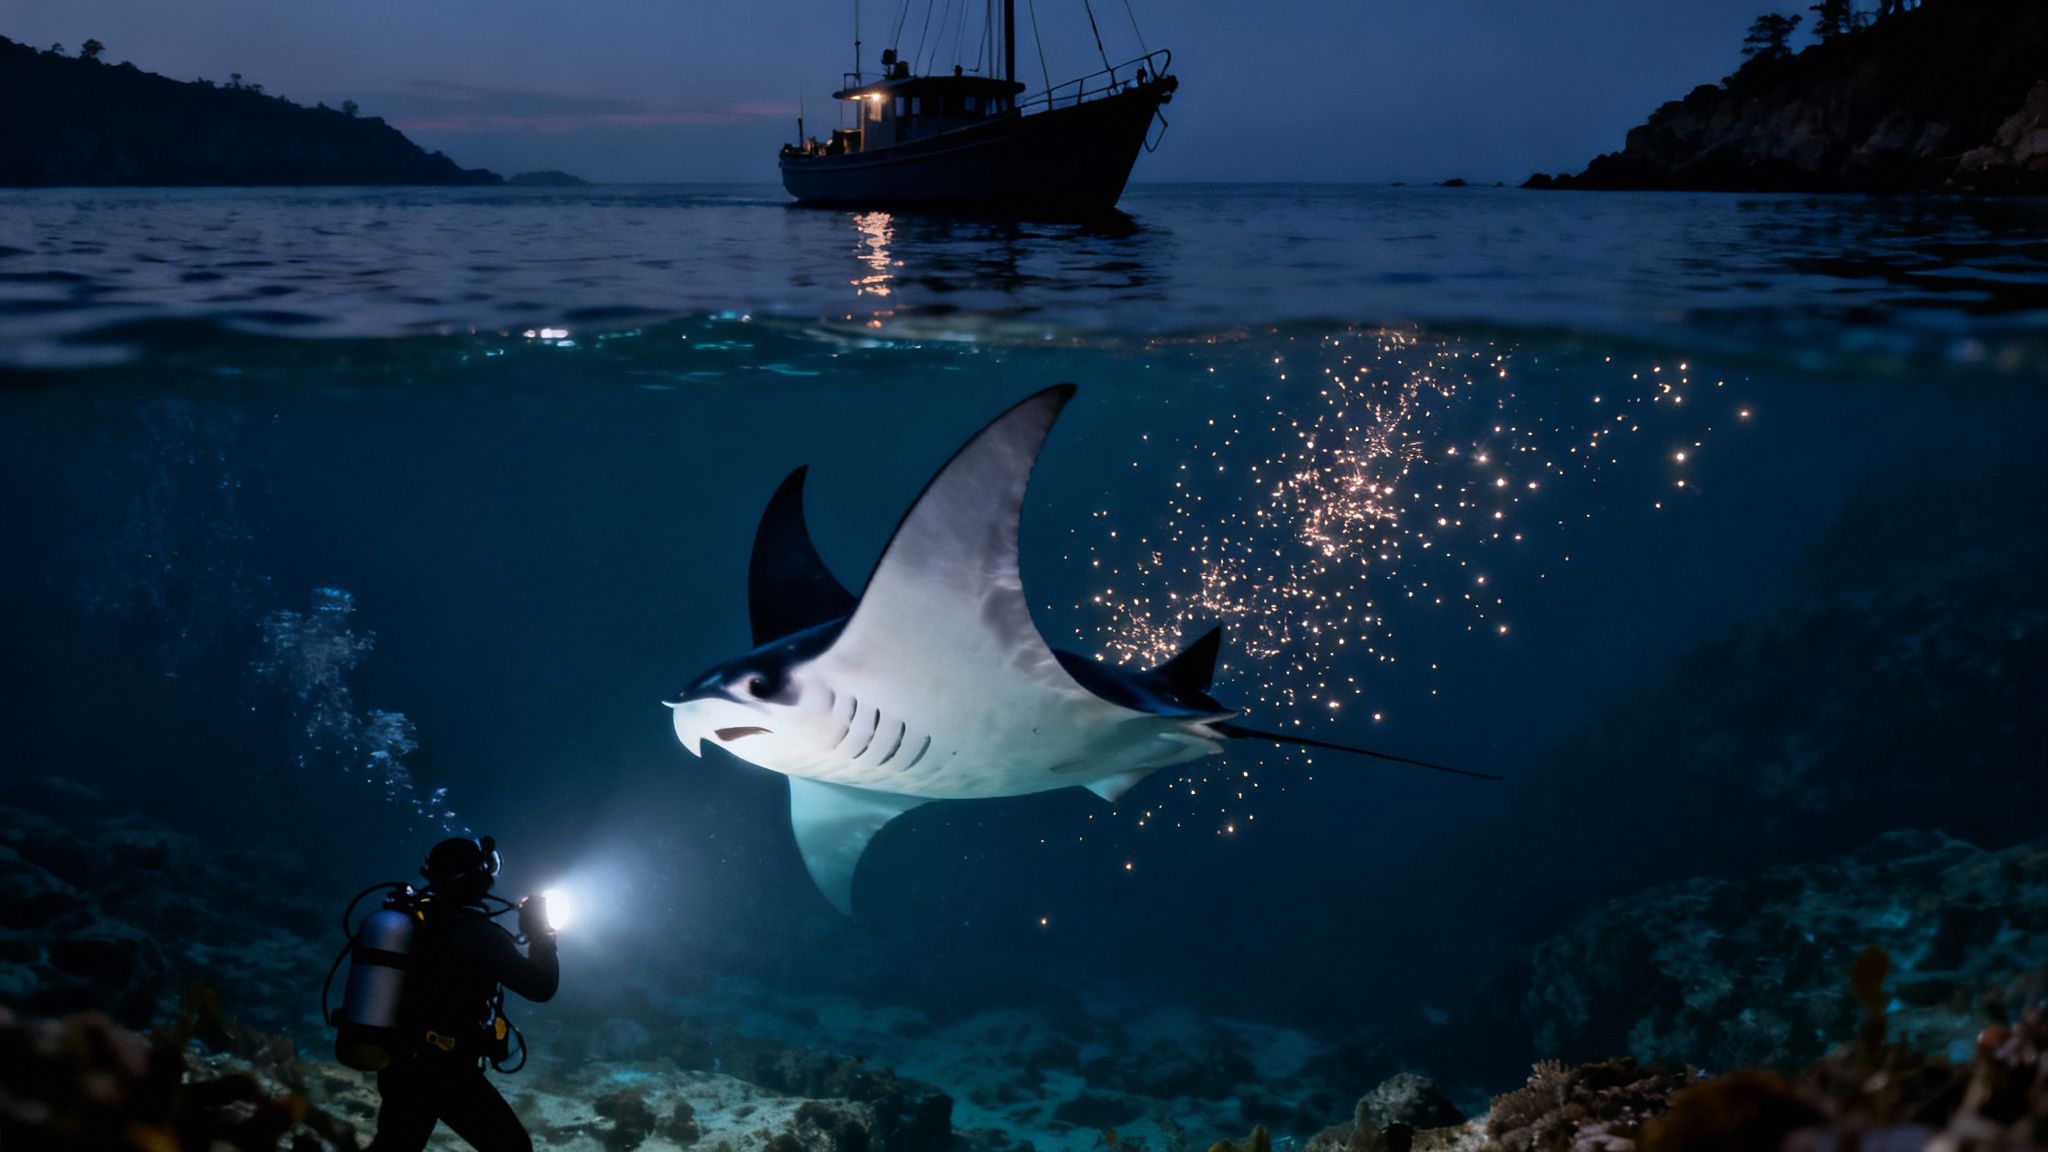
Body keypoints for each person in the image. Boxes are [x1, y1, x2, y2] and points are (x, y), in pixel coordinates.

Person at [366, 836, 559, 1152]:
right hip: (443, 1073)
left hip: (400, 1064)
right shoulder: (479, 934)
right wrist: (541, 931)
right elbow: (541, 987)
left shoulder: (416, 920)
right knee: (513, 1148)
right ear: (478, 876)